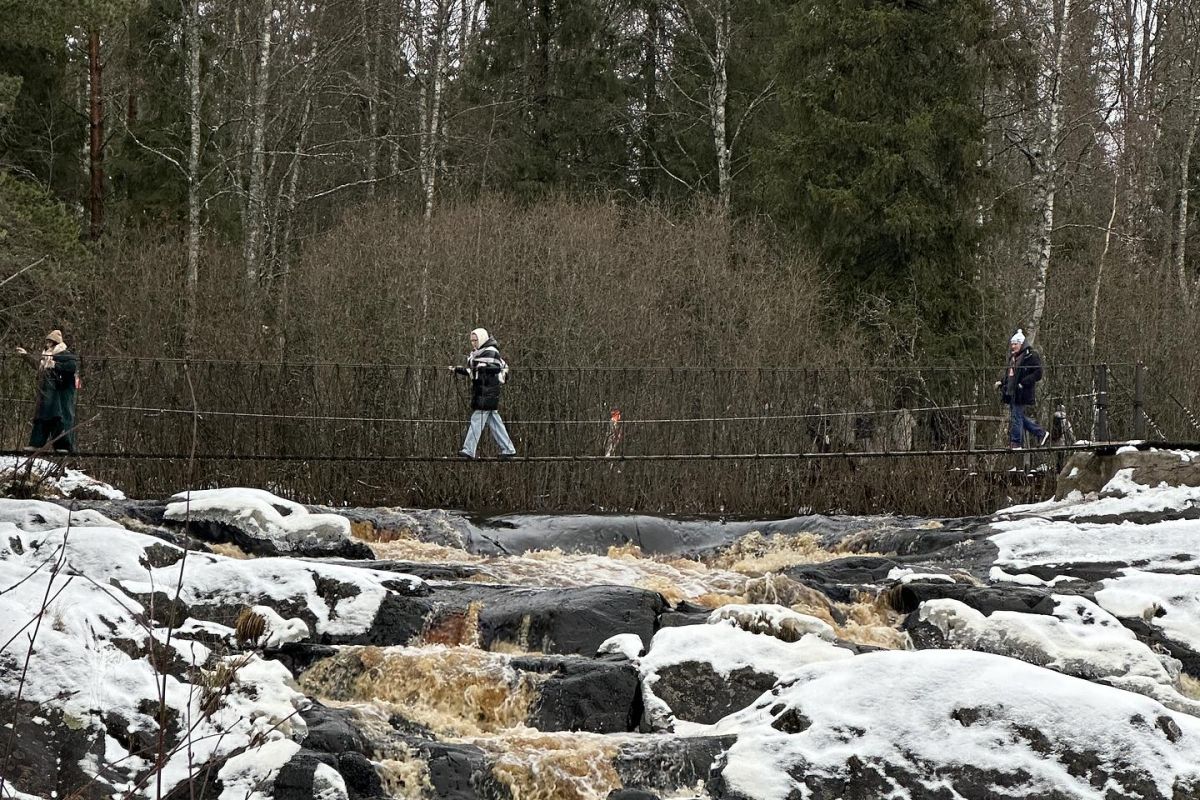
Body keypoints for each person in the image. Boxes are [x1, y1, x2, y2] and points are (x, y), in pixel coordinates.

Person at [448, 327, 516, 459]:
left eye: (475, 340)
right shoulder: (478, 354)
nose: (473, 343)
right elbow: (474, 371)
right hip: (484, 392)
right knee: (495, 422)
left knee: (477, 420)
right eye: (472, 340)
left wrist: (484, 368)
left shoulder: (491, 352)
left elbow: (495, 368)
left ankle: (469, 450)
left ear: (482, 339)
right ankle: (508, 449)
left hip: (487, 393)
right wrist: (457, 370)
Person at [14, 329, 78, 453]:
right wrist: (25, 355)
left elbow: (72, 367)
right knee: (41, 419)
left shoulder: (65, 355)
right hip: (46, 395)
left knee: (58, 419)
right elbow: (38, 365)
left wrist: (55, 365)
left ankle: (63, 447)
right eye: (47, 341)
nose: (47, 344)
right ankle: (36, 444)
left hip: (59, 395)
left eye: (50, 342)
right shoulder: (46, 357)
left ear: (55, 343)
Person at [995, 328, 1047, 449]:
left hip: (1022, 392)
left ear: (1021, 344)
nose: (1013, 346)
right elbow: (1010, 375)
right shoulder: (1013, 358)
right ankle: (1041, 433)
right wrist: (1002, 382)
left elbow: (1038, 373)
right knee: (1018, 417)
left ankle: (1016, 443)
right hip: (1011, 392)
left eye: (1015, 344)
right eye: (1012, 344)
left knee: (1016, 417)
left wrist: (1023, 383)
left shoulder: (1031, 355)